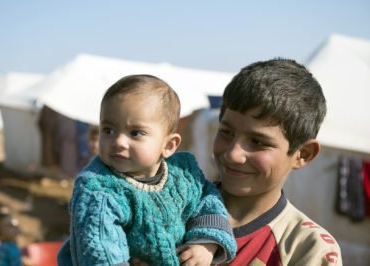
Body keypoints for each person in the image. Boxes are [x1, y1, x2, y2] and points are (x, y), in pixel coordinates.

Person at [57, 74, 236, 265]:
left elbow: (208, 200)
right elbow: (100, 254)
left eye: (136, 133)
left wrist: (205, 243)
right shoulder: (98, 189)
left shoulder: (183, 172)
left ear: (169, 145)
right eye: (108, 130)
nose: (118, 142)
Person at [213, 58, 342, 265]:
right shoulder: (171, 207)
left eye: (257, 142)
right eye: (226, 132)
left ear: (303, 154)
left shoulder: (307, 247)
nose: (232, 154)